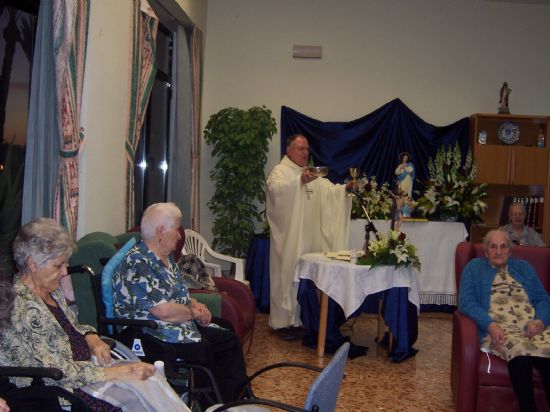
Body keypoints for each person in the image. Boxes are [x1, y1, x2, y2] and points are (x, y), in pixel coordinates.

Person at [0, 218, 188, 411]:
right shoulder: (20, 305)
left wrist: (91, 336)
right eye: (58, 266)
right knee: (134, 397)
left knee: (150, 377)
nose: (65, 272)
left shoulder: (50, 290)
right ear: (32, 264)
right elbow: (56, 370)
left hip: (87, 366)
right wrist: (118, 372)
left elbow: (72, 328)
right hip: (63, 385)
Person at [112, 202, 249, 404]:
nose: (179, 235)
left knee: (225, 331)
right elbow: (162, 310)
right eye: (176, 229)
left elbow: (176, 293)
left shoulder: (165, 259)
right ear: (160, 231)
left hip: (171, 325)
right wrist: (194, 313)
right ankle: (216, 403)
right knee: (212, 344)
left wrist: (195, 304)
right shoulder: (138, 263)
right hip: (150, 332)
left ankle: (232, 399)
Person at [266, 134, 352, 330]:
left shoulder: (311, 173)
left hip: (311, 240)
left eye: (306, 149)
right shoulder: (280, 171)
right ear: (288, 150)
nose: (305, 153)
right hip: (291, 240)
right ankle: (286, 322)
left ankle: (308, 319)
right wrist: (298, 182)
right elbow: (275, 191)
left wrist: (345, 189)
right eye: (300, 149)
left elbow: (329, 191)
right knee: (288, 276)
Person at [459, 229, 550, 412]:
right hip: (501, 329)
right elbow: (466, 302)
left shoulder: (524, 268)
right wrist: (489, 325)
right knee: (520, 355)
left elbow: (543, 298)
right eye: (493, 247)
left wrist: (540, 321)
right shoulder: (474, 268)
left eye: (503, 246)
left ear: (510, 250)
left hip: (533, 326)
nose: (498, 252)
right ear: (486, 251)